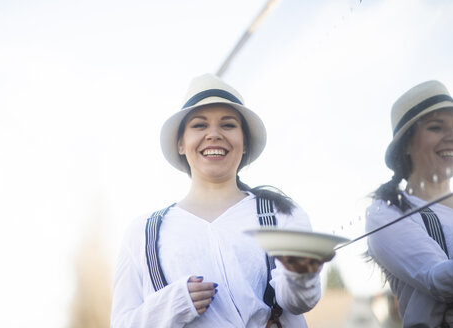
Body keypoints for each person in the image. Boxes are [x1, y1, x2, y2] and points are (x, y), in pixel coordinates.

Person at [110, 73, 330, 327]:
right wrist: (171, 304)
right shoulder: (141, 232)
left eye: (227, 125)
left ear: (244, 142)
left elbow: (299, 302)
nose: (214, 134)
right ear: (181, 143)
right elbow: (122, 322)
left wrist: (300, 275)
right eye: (199, 125)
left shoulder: (284, 215)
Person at [366, 80, 453, 328]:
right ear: (406, 144)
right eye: (436, 127)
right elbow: (437, 280)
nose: (452, 137)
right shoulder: (386, 212)